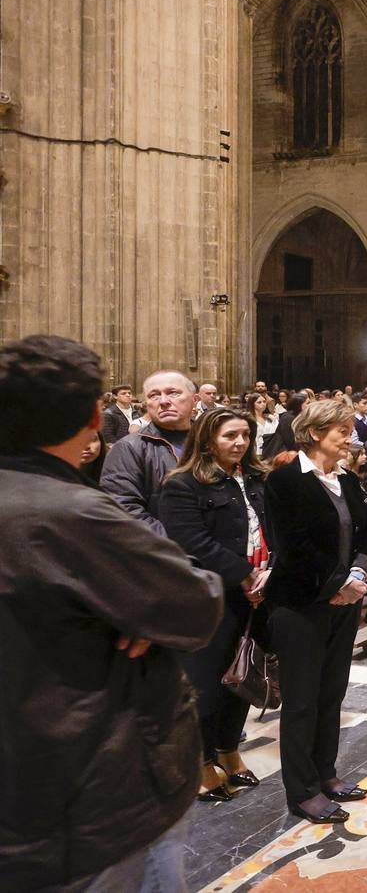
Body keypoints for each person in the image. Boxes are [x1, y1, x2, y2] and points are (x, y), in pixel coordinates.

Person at [0, 335, 223, 890]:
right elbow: (195, 604)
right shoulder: (70, 513)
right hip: (79, 792)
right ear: (96, 415)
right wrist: (136, 608)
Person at [261, 399, 367, 824]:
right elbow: (293, 547)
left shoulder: (347, 480)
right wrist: (338, 585)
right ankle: (302, 789)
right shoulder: (285, 482)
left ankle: (326, 773)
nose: (350, 437)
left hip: (344, 603)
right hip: (300, 605)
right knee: (301, 701)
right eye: (341, 430)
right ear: (314, 433)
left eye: (349, 429)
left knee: (332, 693)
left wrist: (360, 574)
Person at [159, 408, 270, 804]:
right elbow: (190, 539)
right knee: (205, 684)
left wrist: (266, 574)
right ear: (208, 440)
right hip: (212, 596)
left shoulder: (257, 478)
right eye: (230, 436)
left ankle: (228, 749)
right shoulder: (183, 484)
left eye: (244, 435)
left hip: (257, 592)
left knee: (242, 677)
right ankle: (201, 760)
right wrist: (242, 573)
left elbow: (271, 528)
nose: (239, 443)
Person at [100, 370, 198, 534]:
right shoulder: (129, 448)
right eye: (154, 395)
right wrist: (183, 542)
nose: (164, 401)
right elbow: (122, 511)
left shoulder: (214, 441)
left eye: (173, 393)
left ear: (194, 399)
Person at [245, 391, 278, 456]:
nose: (263, 404)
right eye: (259, 402)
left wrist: (274, 419)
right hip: (255, 452)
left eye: (264, 402)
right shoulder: (248, 419)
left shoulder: (270, 418)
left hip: (270, 451)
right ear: (252, 404)